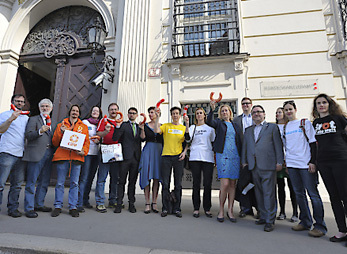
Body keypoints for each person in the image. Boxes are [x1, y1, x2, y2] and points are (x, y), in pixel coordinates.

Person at [283, 100, 327, 237]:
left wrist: (313, 161)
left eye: (290, 109)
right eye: (286, 110)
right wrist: (287, 164)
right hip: (292, 165)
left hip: (305, 164)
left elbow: (313, 143)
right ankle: (305, 221)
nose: (288, 111)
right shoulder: (286, 127)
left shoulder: (304, 123)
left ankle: (320, 226)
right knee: (299, 194)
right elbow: (287, 147)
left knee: (313, 195)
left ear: (295, 109)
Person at [241, 105, 284, 232]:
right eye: (254, 113)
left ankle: (270, 220)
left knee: (269, 193)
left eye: (259, 112)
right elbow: (245, 146)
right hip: (253, 166)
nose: (256, 114)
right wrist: (244, 161)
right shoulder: (248, 130)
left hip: (268, 165)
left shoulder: (272, 127)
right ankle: (263, 216)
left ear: (264, 114)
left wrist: (279, 162)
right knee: (258, 193)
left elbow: (278, 145)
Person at [312, 94, 347, 245]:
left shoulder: (339, 119)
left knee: (345, 195)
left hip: (341, 159)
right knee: (334, 197)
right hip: (324, 163)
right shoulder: (315, 123)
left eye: (324, 102)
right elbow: (314, 144)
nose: (321, 105)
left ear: (329, 104)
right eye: (318, 103)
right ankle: (342, 230)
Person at [51, 105, 89, 218]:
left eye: (77, 111)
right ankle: (58, 206)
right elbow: (55, 142)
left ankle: (73, 206)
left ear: (79, 113)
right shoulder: (61, 125)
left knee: (74, 183)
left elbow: (86, 142)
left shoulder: (84, 127)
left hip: (76, 158)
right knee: (60, 183)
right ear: (70, 112)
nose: (75, 113)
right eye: (73, 110)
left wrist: (84, 151)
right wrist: (61, 132)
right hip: (63, 157)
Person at [207, 102, 241, 223]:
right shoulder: (218, 123)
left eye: (226, 110)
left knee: (232, 184)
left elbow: (240, 140)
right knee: (225, 184)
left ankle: (230, 210)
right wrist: (212, 109)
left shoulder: (236, 125)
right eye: (222, 111)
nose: (224, 112)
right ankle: (221, 210)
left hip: (235, 156)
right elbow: (209, 121)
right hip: (222, 155)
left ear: (230, 112)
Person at [154, 106, 190, 218]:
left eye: (177, 113)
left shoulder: (183, 128)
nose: (175, 115)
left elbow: (188, 141)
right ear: (171, 115)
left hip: (178, 157)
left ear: (180, 115)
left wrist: (184, 152)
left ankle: (177, 208)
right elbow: (156, 130)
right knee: (165, 183)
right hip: (166, 157)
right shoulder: (166, 126)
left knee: (178, 184)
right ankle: (165, 208)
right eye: (173, 113)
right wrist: (157, 118)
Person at [23, 98, 55, 218]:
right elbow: (28, 135)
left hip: (49, 154)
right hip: (36, 154)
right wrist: (40, 131)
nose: (45, 108)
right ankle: (29, 208)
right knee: (31, 181)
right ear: (39, 108)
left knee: (44, 181)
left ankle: (39, 203)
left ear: (51, 109)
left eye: (47, 106)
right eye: (43, 106)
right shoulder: (33, 119)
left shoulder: (53, 122)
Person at [0, 94, 29, 218]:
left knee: (17, 184)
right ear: (12, 102)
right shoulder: (5, 114)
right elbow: (1, 130)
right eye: (17, 101)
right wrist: (10, 119)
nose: (19, 103)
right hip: (7, 152)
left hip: (21, 154)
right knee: (1, 184)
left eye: (22, 102)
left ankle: (13, 208)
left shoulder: (26, 118)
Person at [113, 107, 144, 213]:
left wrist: (143, 128)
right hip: (125, 158)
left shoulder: (139, 126)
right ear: (127, 115)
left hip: (136, 158)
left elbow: (143, 139)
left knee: (132, 182)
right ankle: (119, 203)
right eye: (130, 113)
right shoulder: (124, 125)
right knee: (121, 181)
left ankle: (131, 203)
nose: (132, 115)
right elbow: (115, 138)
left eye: (134, 113)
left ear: (136, 115)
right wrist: (117, 126)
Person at [233, 97, 258, 218]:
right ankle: (245, 207)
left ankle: (258, 207)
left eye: (247, 103)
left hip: (256, 155)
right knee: (243, 182)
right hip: (241, 155)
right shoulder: (236, 120)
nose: (245, 105)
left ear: (251, 105)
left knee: (255, 182)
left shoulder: (257, 117)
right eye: (243, 104)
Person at [189, 108, 215, 218]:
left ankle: (207, 208)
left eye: (201, 113)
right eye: (197, 113)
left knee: (207, 184)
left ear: (204, 116)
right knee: (196, 183)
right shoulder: (192, 128)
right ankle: (196, 208)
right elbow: (187, 139)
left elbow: (213, 142)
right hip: (195, 157)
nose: (199, 115)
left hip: (208, 158)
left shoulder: (210, 129)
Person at [95, 103, 121, 213]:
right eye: (111, 109)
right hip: (105, 150)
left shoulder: (120, 122)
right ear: (108, 111)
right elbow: (98, 134)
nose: (113, 111)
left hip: (116, 151)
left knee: (115, 178)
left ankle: (113, 200)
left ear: (118, 111)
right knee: (102, 178)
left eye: (115, 109)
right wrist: (106, 131)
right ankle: (100, 202)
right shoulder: (103, 121)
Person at [275, 107, 298, 222]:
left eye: (280, 112)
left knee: (292, 187)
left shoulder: (289, 127)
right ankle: (282, 211)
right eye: (277, 112)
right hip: (279, 161)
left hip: (290, 160)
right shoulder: (273, 128)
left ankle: (295, 212)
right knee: (280, 188)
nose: (278, 114)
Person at [77, 106, 102, 212]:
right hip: (86, 153)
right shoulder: (85, 123)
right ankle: (79, 202)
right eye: (93, 110)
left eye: (97, 111)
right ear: (90, 112)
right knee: (84, 177)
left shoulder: (101, 124)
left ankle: (85, 200)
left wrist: (99, 141)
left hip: (96, 154)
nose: (95, 112)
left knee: (91, 177)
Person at [138, 106, 163, 214]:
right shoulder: (145, 125)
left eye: (152, 112)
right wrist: (142, 129)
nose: (151, 114)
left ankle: (155, 202)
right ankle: (147, 203)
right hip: (148, 150)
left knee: (157, 177)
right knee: (146, 176)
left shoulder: (162, 126)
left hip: (159, 151)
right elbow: (142, 138)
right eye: (150, 113)